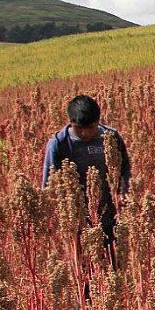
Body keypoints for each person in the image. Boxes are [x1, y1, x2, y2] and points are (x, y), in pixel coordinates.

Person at [41, 94, 132, 247]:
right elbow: (50, 185)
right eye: (79, 129)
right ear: (71, 123)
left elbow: (124, 168)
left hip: (110, 214)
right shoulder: (59, 144)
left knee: (113, 262)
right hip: (76, 218)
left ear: (98, 121)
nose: (85, 133)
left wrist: (123, 194)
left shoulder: (111, 137)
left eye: (91, 128)